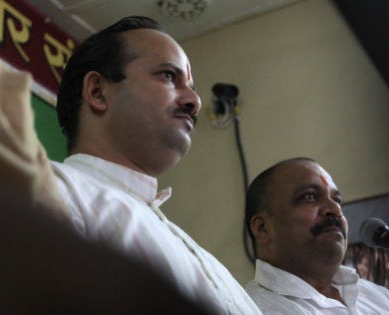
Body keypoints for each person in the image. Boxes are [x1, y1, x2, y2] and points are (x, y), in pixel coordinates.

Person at [51, 16, 261, 314]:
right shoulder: (50, 191)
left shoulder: (202, 259)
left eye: (189, 85)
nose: (195, 101)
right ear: (98, 92)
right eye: (167, 76)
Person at [245, 157, 389, 314]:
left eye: (337, 200)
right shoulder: (253, 309)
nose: (334, 209)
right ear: (263, 228)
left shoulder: (375, 295)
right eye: (309, 197)